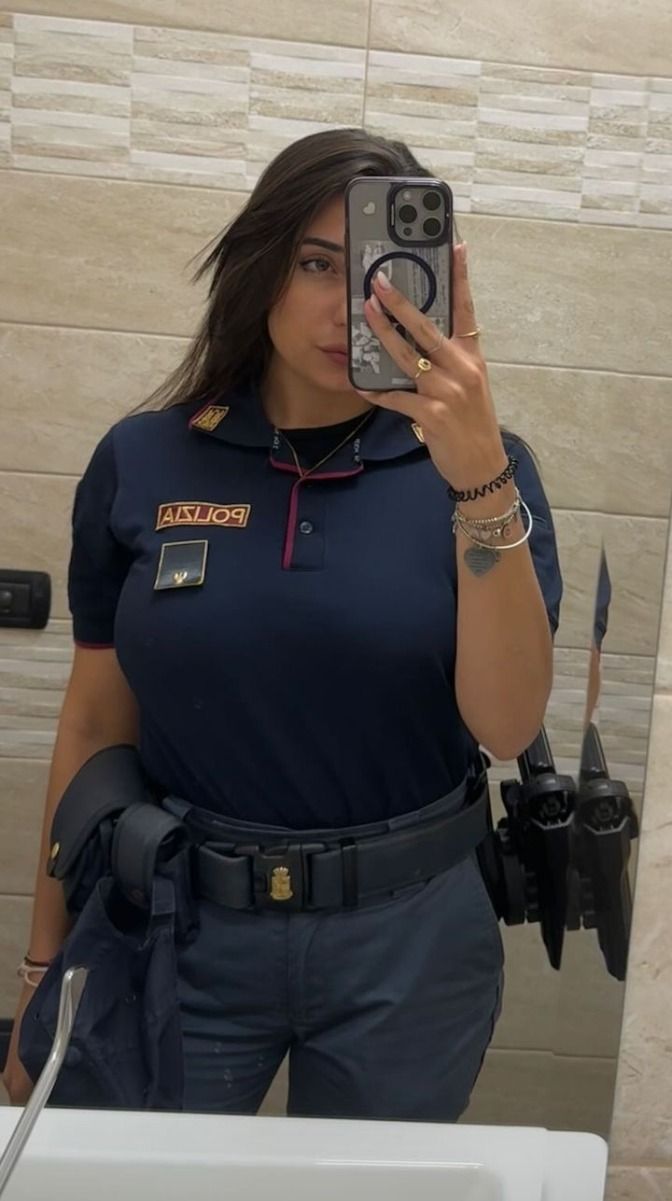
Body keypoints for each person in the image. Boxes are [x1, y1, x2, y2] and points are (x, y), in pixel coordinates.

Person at [3, 127, 562, 1120]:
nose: (349, 307)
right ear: (259, 265)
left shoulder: (484, 471)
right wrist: (44, 961)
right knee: (141, 1185)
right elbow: (92, 725)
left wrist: (477, 474)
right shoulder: (145, 458)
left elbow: (508, 724)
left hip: (410, 940)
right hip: (179, 924)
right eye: (315, 263)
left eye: (380, 274)